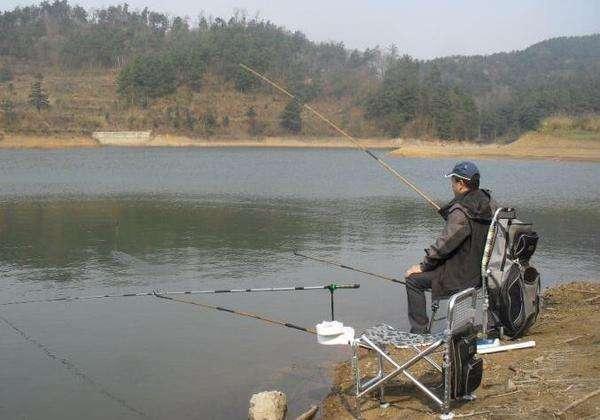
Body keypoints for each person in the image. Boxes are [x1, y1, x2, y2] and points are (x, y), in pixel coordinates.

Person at [404, 161, 496, 333]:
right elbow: (467, 228)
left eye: (453, 182)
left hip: (461, 276)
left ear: (461, 184)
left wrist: (423, 266)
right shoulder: (488, 202)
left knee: (413, 280)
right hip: (482, 272)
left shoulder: (460, 211)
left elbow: (443, 246)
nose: (451, 185)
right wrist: (451, 215)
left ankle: (419, 333)